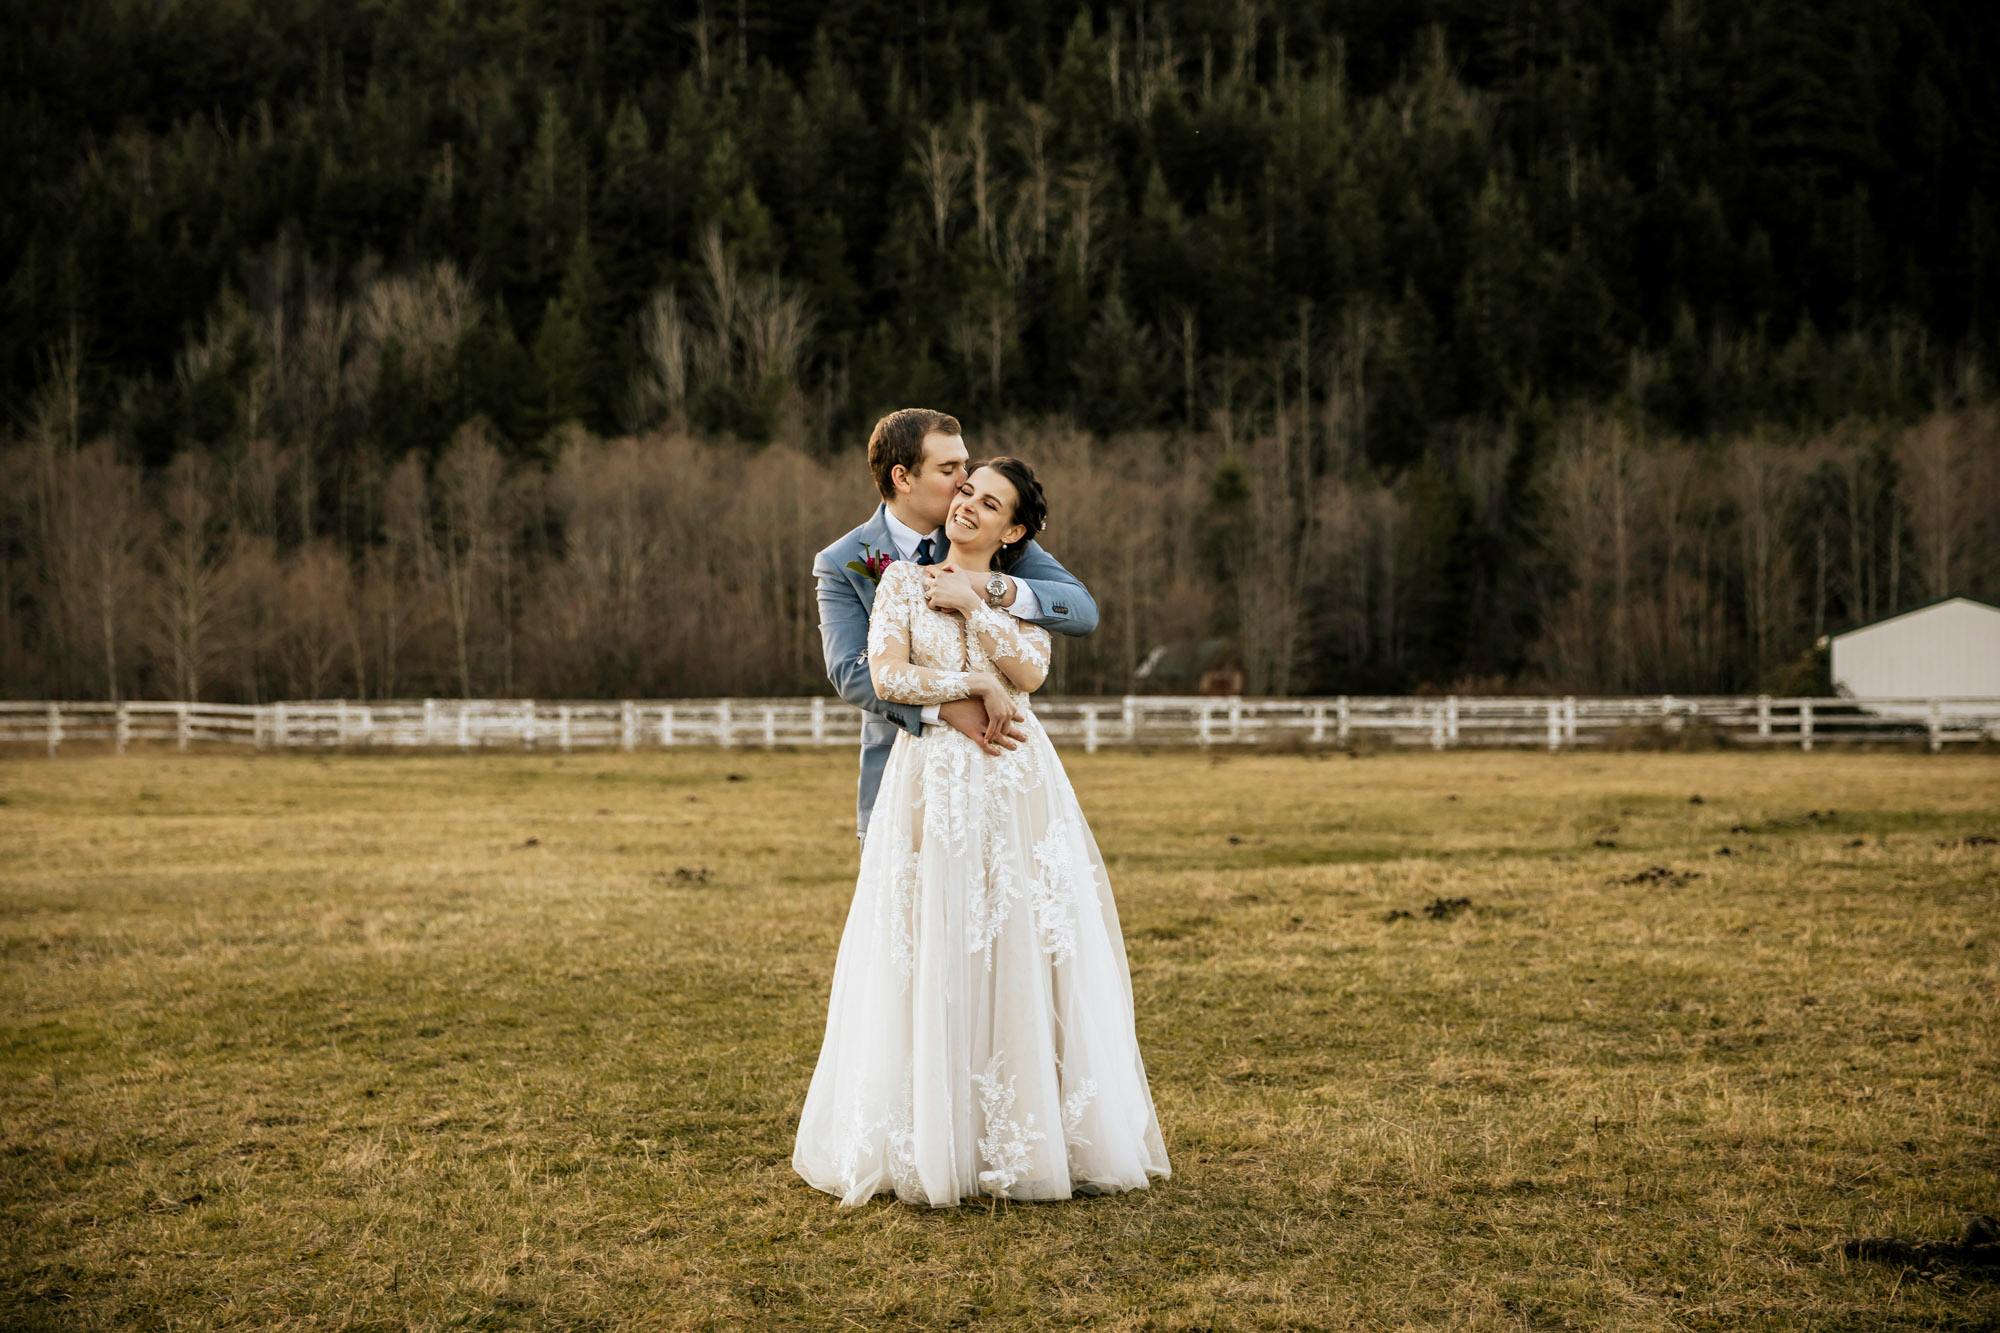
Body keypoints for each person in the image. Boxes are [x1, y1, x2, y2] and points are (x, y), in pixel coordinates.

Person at [793, 456, 1170, 1207]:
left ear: (1013, 530)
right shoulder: (897, 578)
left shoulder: (1015, 590)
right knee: (933, 937)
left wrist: (975, 602)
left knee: (1018, 943)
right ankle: (932, 1134)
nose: (965, 501)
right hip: (933, 780)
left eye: (986, 499)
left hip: (1015, 786)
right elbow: (885, 672)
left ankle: (1018, 1135)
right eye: (962, 487)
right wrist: (969, 684)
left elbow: (1032, 672)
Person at [812, 408, 1097, 840]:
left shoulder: (990, 532)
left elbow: (1080, 610)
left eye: (964, 464)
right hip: (900, 766)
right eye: (950, 469)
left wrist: (985, 587)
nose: (966, 478)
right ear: (903, 478)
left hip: (999, 768)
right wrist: (946, 708)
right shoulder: (844, 561)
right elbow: (850, 671)